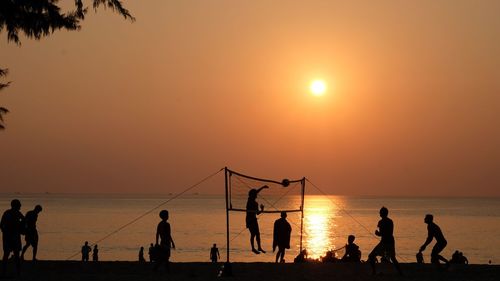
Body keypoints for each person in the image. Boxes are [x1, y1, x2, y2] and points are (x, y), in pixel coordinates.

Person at [368, 207, 402, 275]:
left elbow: (383, 233)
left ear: (382, 213)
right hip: (390, 241)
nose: (379, 213)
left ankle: (374, 272)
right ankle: (400, 272)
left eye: (380, 212)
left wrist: (377, 233)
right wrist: (380, 233)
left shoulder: (381, 222)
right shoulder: (390, 221)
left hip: (385, 242)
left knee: (371, 256)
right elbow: (389, 233)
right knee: (393, 258)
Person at [1, 199, 24, 276]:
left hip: (8, 236)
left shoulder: (7, 213)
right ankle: (17, 272)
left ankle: (5, 272)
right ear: (16, 205)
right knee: (14, 255)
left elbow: (1, 225)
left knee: (7, 255)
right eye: (19, 204)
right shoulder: (16, 213)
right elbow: (24, 221)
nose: (20, 206)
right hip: (13, 236)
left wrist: (4, 231)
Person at [246, 185, 268, 254]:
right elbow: (255, 192)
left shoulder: (256, 203)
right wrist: (262, 187)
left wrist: (262, 209)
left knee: (258, 234)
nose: (257, 195)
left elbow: (257, 213)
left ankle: (259, 247)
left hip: (254, 219)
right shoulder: (249, 200)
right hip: (249, 220)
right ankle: (253, 248)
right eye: (255, 194)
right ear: (252, 195)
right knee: (253, 234)